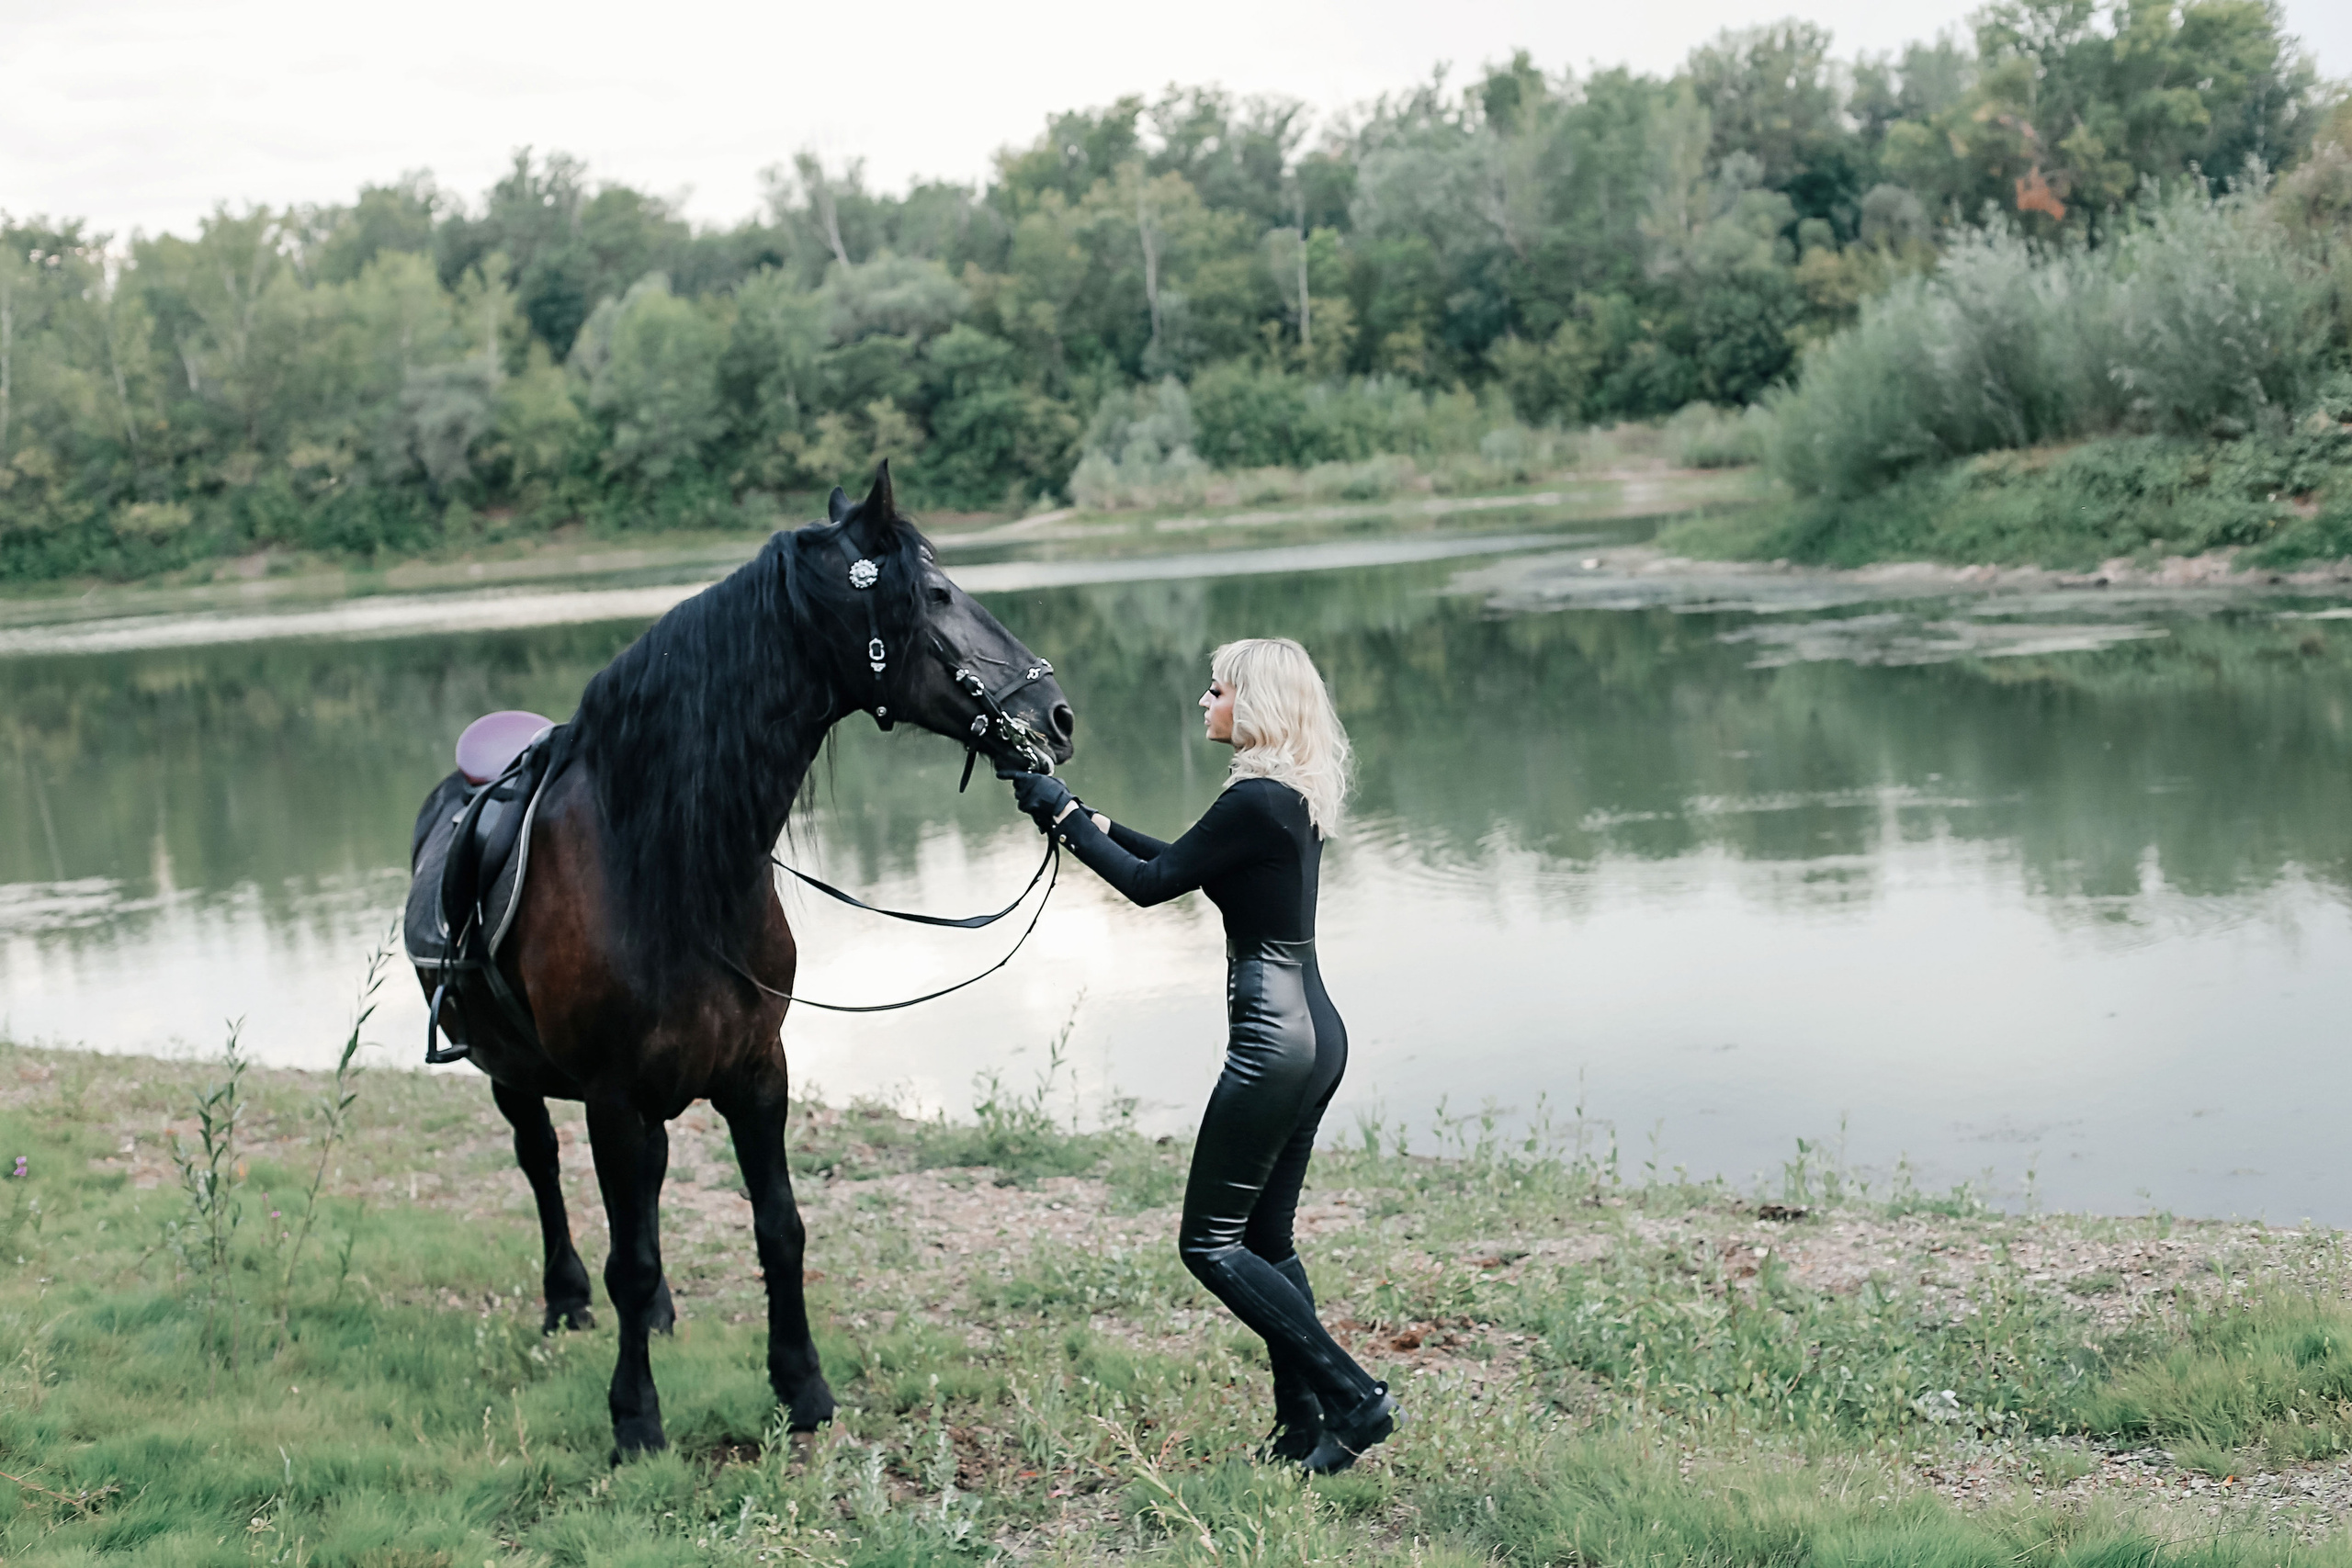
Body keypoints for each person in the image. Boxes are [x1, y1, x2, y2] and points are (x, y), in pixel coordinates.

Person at [1004, 637, 1398, 1474]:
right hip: (1314, 1031)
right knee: (1267, 1238)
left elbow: (1150, 887)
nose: (1204, 701)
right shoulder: (1285, 795)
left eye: (1216, 690)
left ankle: (1355, 1398)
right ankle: (1299, 1427)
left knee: (1210, 1244)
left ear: (1253, 703)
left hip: (1274, 1041)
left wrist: (1062, 817)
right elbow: (1186, 862)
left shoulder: (1254, 798)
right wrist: (1087, 819)